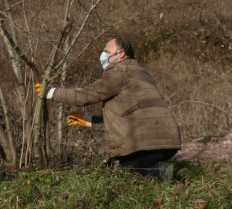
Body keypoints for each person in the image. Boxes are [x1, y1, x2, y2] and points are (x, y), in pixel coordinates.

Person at [36, 37, 181, 181]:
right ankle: (168, 172)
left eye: (106, 51)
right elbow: (127, 119)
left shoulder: (119, 70)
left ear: (121, 54)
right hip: (167, 139)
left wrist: (51, 92)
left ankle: (167, 173)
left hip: (147, 142)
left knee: (126, 172)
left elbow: (87, 95)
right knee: (127, 168)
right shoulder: (141, 74)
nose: (102, 55)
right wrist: (87, 121)